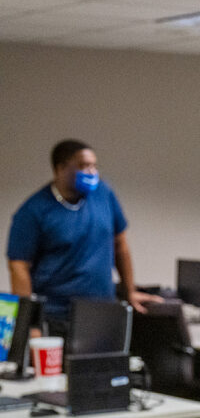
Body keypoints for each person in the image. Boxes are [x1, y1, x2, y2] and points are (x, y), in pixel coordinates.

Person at [6, 139, 159, 336]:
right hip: (57, 317)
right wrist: (29, 324)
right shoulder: (34, 211)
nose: (92, 172)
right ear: (60, 169)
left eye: (94, 165)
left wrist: (129, 291)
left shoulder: (104, 194)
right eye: (84, 166)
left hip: (102, 312)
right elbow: (18, 266)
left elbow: (120, 245)